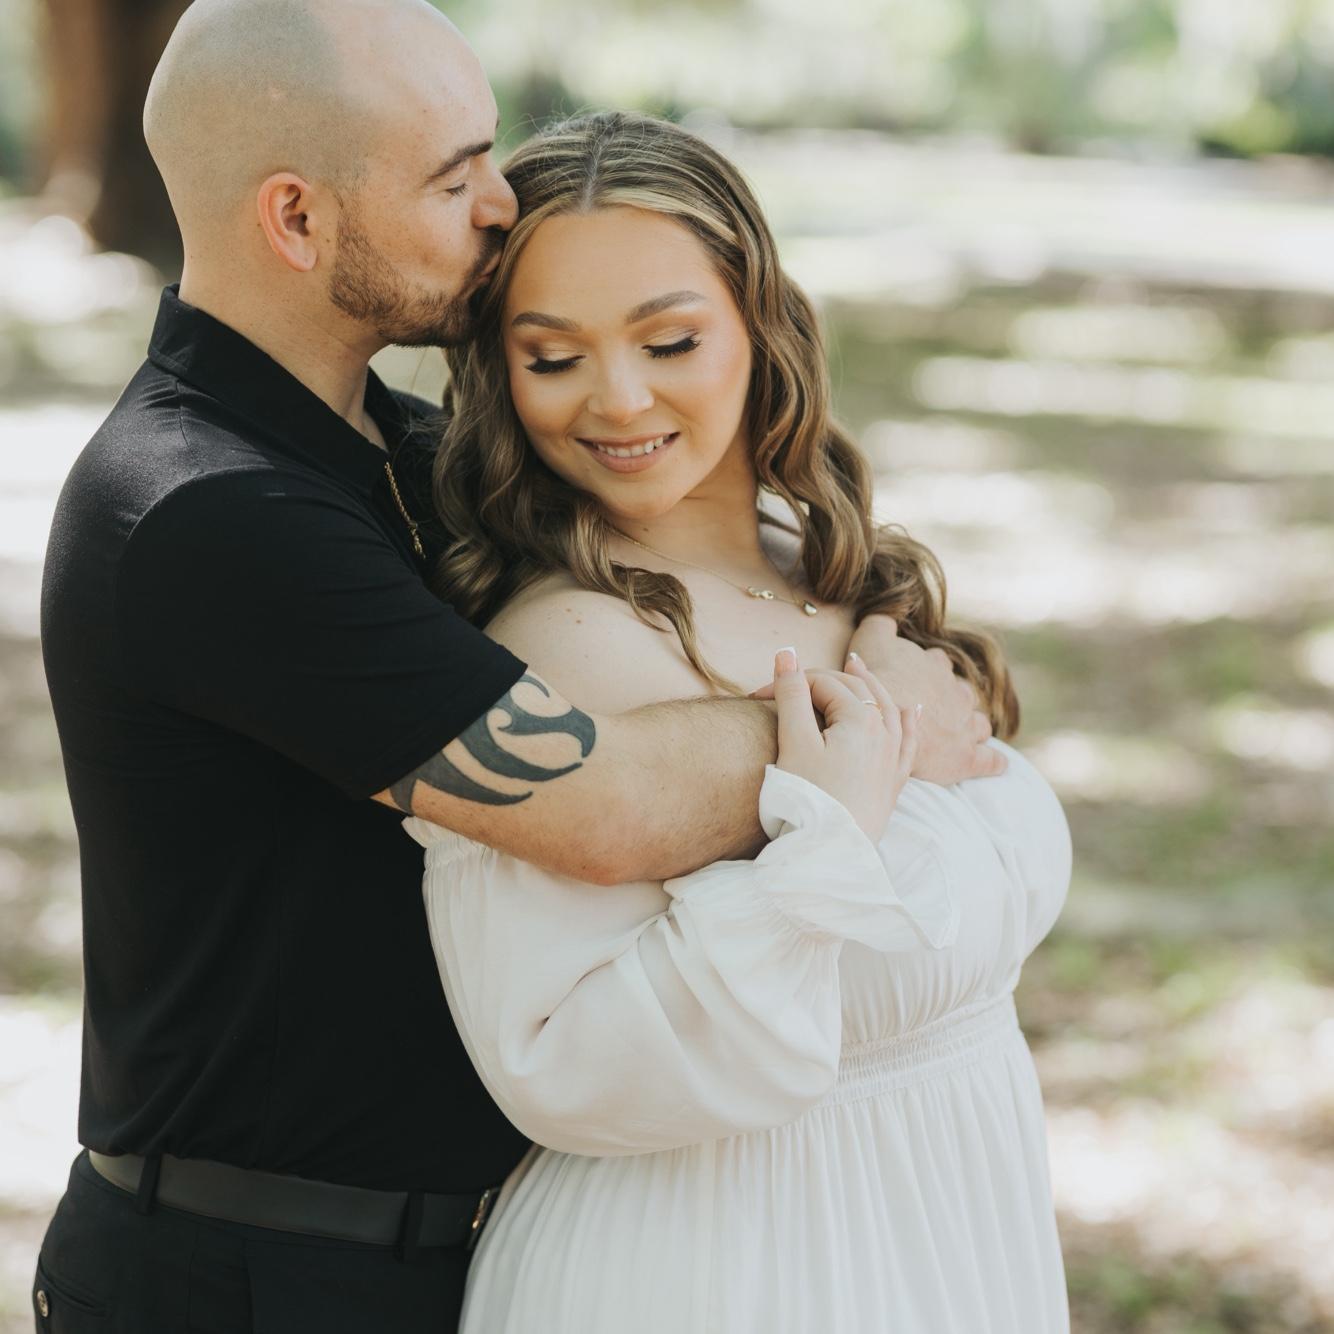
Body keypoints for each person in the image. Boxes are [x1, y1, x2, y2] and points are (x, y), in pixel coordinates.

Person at [31, 2, 1001, 1331]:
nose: (501, 203)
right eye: (453, 177)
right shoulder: (204, 507)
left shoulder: (403, 452)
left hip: (432, 1252)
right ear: (296, 218)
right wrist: (870, 715)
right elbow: (607, 804)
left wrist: (872, 614)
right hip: (245, 1274)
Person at [407, 111, 1073, 1333]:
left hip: (944, 1230)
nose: (617, 400)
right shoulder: (567, 646)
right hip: (721, 1265)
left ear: (759, 325)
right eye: (550, 357)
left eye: (668, 340)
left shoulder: (826, 572)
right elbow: (558, 1064)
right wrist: (816, 844)